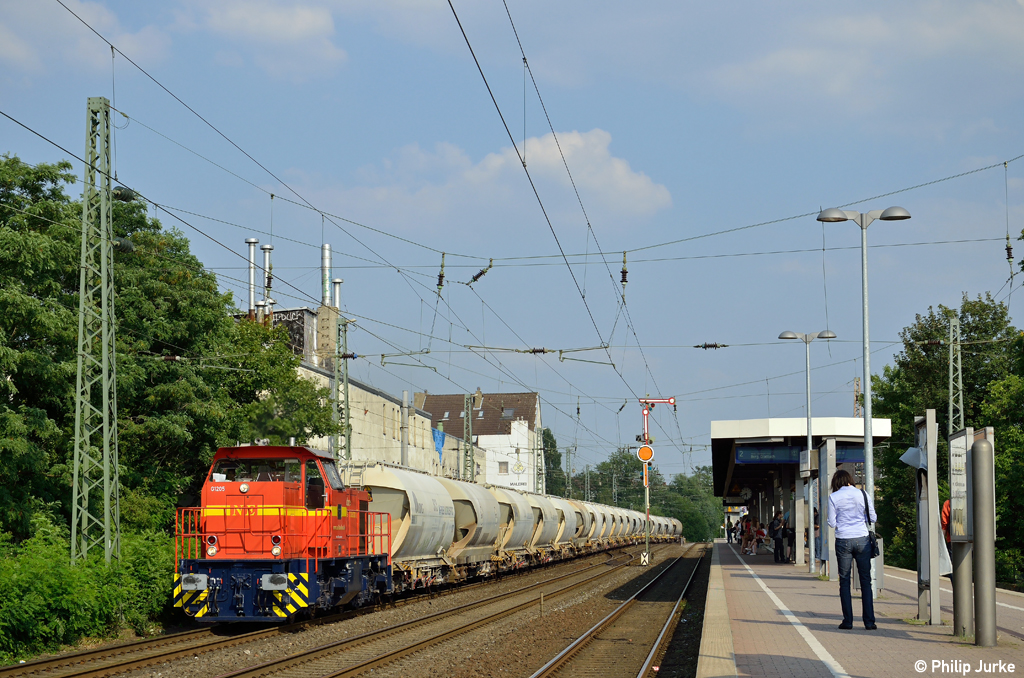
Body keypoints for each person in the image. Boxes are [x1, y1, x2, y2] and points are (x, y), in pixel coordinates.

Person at [828, 469, 877, 630]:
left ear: (836, 483)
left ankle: (848, 621)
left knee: (844, 581)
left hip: (843, 540)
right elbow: (873, 518)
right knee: (865, 581)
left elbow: (832, 523)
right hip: (862, 539)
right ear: (850, 479)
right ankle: (869, 622)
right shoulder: (862, 494)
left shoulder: (833, 497)